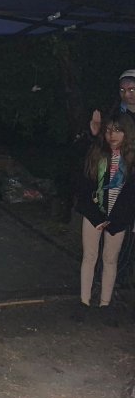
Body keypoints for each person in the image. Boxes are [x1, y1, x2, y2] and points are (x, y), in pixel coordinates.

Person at [74, 112, 135, 326]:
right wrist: (91, 135)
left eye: (118, 130)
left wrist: (116, 219)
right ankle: (84, 301)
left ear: (128, 133)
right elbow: (84, 183)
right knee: (89, 256)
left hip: (118, 218)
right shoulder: (97, 152)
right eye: (109, 130)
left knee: (110, 259)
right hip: (94, 213)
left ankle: (105, 304)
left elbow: (130, 196)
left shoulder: (131, 160)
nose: (112, 135)